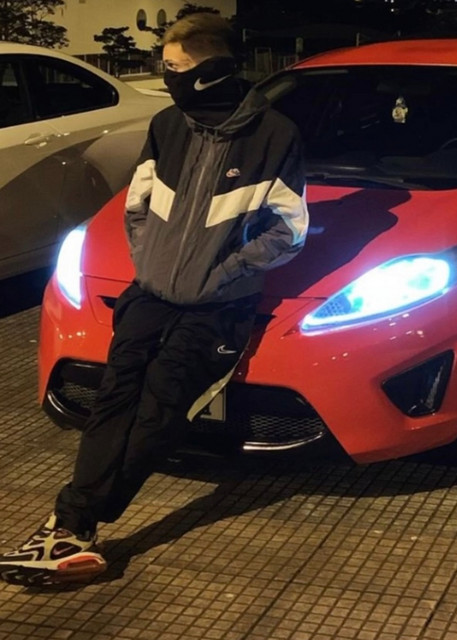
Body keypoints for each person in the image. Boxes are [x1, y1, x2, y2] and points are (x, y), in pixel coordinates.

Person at [0, 12, 308, 586]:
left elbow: (288, 230)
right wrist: (151, 263)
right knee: (113, 401)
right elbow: (137, 204)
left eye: (176, 67)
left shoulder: (275, 135)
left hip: (216, 307)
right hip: (149, 295)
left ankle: (75, 523)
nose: (167, 77)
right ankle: (72, 526)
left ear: (213, 70)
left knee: (157, 414)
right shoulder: (168, 125)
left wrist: (223, 274)